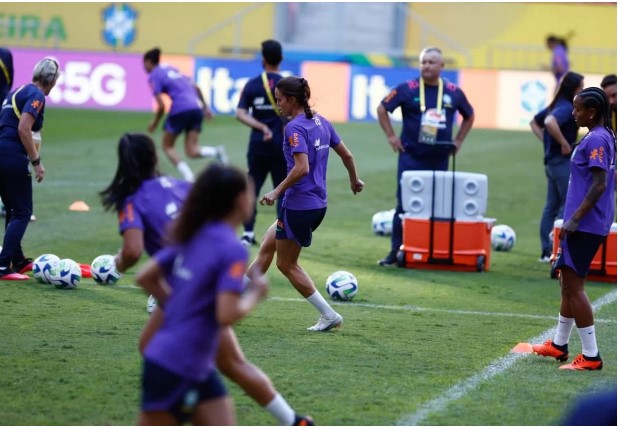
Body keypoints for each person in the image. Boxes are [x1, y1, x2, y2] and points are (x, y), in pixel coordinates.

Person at [99, 134, 314, 426]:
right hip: (196, 296)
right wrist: (255, 293)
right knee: (226, 362)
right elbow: (225, 312)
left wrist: (118, 267)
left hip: (185, 294)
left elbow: (137, 260)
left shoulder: (141, 206)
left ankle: (290, 420)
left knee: (167, 350)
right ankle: (290, 420)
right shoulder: (186, 195)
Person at [134, 163, 269, 425]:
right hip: (177, 365)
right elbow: (226, 313)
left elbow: (145, 277)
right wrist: (256, 293)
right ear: (239, 199)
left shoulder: (194, 232)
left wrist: (179, 307)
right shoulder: (232, 248)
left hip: (186, 363)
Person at [246, 76, 364, 332]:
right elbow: (348, 154)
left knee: (286, 264)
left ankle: (329, 315)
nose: (278, 105)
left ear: (291, 99)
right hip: (317, 204)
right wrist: (354, 180)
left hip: (299, 205)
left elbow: (302, 168)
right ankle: (232, 300)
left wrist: (276, 192)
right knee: (267, 246)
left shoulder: (294, 128)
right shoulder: (322, 122)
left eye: (279, 100)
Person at [531, 87, 616, 370]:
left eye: (578, 109)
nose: (573, 113)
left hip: (586, 224)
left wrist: (575, 219)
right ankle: (558, 344)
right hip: (585, 222)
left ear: (591, 112)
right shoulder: (597, 136)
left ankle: (591, 355)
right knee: (566, 283)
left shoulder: (598, 139)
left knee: (574, 286)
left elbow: (599, 184)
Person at [376, 46, 474, 267]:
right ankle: (395, 251)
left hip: (440, 158)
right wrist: (392, 136)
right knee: (404, 203)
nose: (426, 66)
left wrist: (458, 140)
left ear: (442, 66)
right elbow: (382, 109)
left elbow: (469, 115)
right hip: (411, 156)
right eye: (423, 62)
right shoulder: (406, 89)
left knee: (439, 204)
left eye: (431, 62)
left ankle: (432, 251)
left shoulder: (453, 91)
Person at [0, 58, 58, 280]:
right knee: (23, 211)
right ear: (51, 79)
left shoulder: (16, 91)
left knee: (13, 209)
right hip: (12, 156)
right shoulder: (36, 96)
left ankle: (17, 259)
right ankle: (3, 266)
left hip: (2, 152)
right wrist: (36, 162)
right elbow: (24, 129)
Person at [143, 47, 227, 182]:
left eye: (144, 64)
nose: (144, 67)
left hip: (180, 109)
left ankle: (189, 177)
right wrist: (206, 108)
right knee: (191, 151)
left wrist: (155, 122)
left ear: (148, 62)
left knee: (167, 146)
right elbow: (197, 87)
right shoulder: (172, 69)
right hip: (196, 108)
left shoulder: (154, 75)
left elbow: (162, 105)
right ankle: (216, 152)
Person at [236, 40, 287, 247]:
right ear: (280, 59)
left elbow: (240, 114)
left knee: (251, 189)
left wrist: (260, 126)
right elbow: (295, 117)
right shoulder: (288, 85)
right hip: (282, 146)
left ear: (263, 59)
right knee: (283, 189)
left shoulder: (252, 84)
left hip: (258, 146)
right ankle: (282, 233)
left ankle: (248, 233)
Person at [530, 71, 584, 262]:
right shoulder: (566, 107)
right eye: (581, 87)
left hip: (551, 161)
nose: (583, 90)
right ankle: (556, 247)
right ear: (574, 89)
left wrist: (546, 142)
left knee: (551, 206)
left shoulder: (556, 104)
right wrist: (562, 142)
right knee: (566, 202)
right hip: (560, 161)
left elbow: (534, 122)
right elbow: (548, 122)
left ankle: (546, 251)